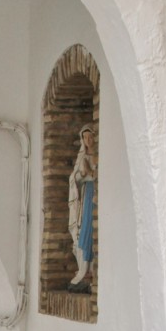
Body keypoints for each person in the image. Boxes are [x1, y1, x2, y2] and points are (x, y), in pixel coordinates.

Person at [68, 124, 96, 292]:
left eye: (90, 136)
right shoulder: (83, 157)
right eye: (85, 137)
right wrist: (84, 174)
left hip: (94, 194)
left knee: (92, 229)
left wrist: (90, 175)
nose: (88, 140)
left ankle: (90, 268)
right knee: (84, 229)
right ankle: (84, 267)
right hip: (86, 195)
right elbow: (76, 178)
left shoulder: (97, 156)